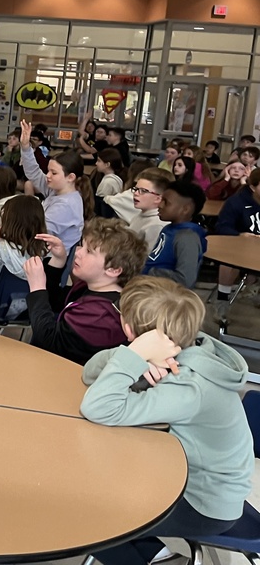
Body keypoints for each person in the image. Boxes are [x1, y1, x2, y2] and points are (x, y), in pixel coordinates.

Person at [83, 276, 252, 565]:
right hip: (184, 475)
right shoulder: (188, 348)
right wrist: (137, 358)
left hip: (204, 504)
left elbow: (98, 407)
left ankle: (141, 556)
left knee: (89, 520)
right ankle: (157, 554)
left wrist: (135, 354)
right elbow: (90, 373)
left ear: (128, 329)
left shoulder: (189, 387)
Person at [24, 219, 148, 364]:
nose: (77, 253)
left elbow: (50, 341)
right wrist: (58, 261)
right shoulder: (90, 287)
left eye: (88, 251)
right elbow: (55, 302)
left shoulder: (101, 315)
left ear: (113, 270)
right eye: (81, 245)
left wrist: (37, 287)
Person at [19, 119, 90, 252]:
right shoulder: (58, 191)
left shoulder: (66, 206)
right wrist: (25, 146)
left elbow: (37, 235)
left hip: (47, 260)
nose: (48, 175)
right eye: (48, 171)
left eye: (54, 173)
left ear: (70, 177)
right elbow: (33, 172)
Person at [143, 179, 207, 288]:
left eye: (166, 202)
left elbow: (185, 280)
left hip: (161, 295)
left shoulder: (187, 238)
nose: (160, 205)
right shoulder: (169, 229)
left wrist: (151, 272)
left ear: (185, 209)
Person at [213, 167, 260, 306]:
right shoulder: (236, 202)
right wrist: (240, 235)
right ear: (252, 187)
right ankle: (222, 300)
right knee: (228, 261)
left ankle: (253, 286)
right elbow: (222, 227)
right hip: (241, 245)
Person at [104, 167, 174, 252]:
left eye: (143, 191)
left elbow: (146, 258)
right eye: (136, 189)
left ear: (158, 198)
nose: (136, 193)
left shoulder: (156, 225)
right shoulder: (141, 215)